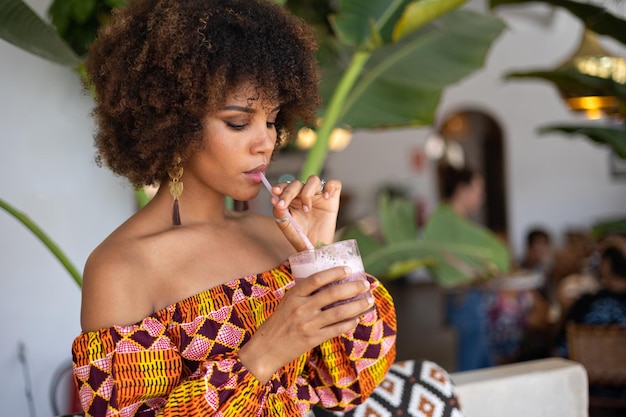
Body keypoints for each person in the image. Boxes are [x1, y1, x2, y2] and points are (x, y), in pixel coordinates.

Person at [70, 1, 397, 416]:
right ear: (172, 122)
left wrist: (316, 254)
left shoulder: (274, 238)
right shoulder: (121, 268)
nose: (265, 142)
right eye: (239, 123)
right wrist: (263, 354)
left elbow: (347, 384)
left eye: (272, 120)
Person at [422, 166, 509, 371]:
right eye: (479, 191)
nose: (482, 197)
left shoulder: (456, 220)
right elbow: (437, 258)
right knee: (470, 366)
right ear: (462, 189)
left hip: (473, 297)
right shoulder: (443, 219)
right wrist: (474, 274)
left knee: (484, 361)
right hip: (464, 298)